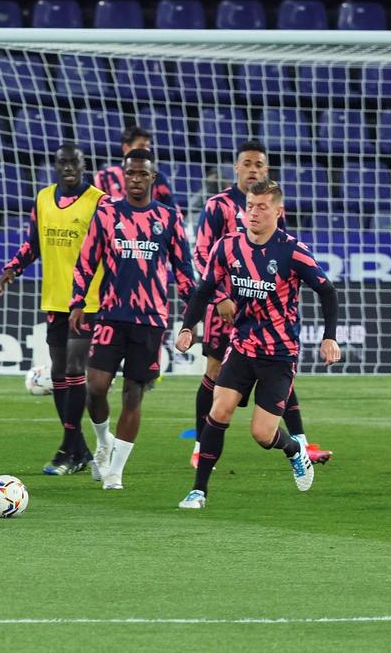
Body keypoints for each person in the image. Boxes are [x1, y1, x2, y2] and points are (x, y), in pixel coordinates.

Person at [175, 178, 341, 508]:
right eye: (250, 206)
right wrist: (186, 328)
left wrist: (329, 337)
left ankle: (293, 449)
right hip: (241, 346)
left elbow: (327, 291)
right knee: (218, 410)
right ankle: (199, 490)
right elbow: (204, 290)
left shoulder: (293, 251)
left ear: (278, 212)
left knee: (263, 435)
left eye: (262, 207)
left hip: (279, 354)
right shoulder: (227, 246)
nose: (253, 213)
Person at [191, 141, 331, 468]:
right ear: (237, 167)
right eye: (248, 163)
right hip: (224, 307)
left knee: (278, 374)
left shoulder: (270, 205)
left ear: (265, 170)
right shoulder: (218, 205)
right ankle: (200, 445)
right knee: (214, 373)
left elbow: (277, 253)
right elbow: (200, 255)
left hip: (262, 309)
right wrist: (221, 296)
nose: (253, 169)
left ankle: (300, 444)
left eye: (259, 164)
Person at [69, 148, 196, 490]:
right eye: (131, 174)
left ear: (153, 178)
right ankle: (103, 441)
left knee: (132, 395)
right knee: (95, 388)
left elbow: (184, 270)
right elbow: (86, 260)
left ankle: (115, 471)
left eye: (143, 174)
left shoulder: (169, 218)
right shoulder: (107, 213)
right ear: (123, 177)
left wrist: (192, 316)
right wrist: (77, 301)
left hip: (150, 320)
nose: (136, 179)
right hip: (111, 314)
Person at [0, 143, 112, 478]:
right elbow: (34, 242)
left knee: (76, 367)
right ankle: (78, 449)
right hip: (55, 300)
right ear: (55, 165)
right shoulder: (43, 198)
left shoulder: (99, 202)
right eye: (62, 162)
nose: (68, 168)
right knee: (60, 373)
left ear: (83, 164)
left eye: (73, 162)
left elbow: (110, 249)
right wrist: (13, 268)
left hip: (89, 301)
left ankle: (67, 448)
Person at [94, 126, 177, 207]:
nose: (146, 150)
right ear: (126, 148)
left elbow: (174, 212)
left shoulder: (159, 178)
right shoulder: (104, 176)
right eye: (141, 146)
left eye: (148, 146)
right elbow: (97, 208)